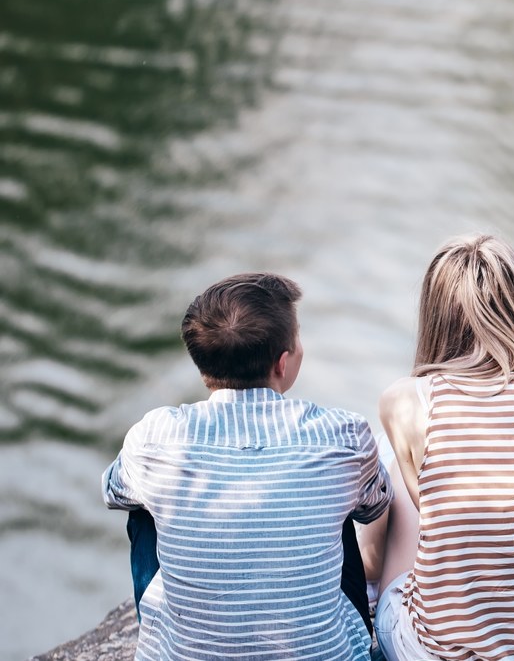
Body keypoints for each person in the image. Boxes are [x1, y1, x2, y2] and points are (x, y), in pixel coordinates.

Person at [102, 272, 393, 661]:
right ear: (282, 362)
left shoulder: (156, 436)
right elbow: (376, 505)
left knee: (143, 505)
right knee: (339, 497)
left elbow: (112, 490)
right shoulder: (342, 435)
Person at [368, 234, 514, 661]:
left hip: (443, 652)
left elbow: (432, 523)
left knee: (397, 465)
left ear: (435, 316)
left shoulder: (406, 401)